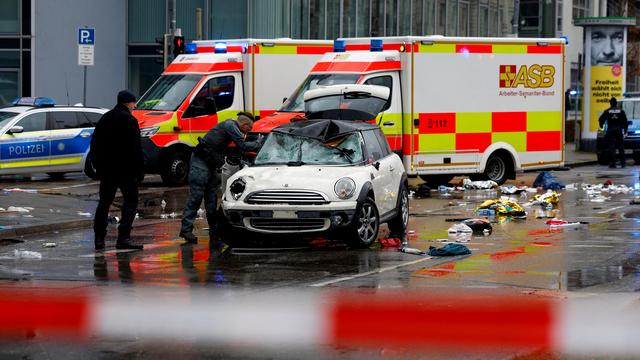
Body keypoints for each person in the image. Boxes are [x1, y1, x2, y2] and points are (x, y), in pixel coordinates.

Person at [180, 112, 262, 244]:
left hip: (208, 163)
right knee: (196, 197)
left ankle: (214, 232)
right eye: (250, 128)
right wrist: (259, 143)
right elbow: (243, 146)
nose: (250, 131)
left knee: (212, 200)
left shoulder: (229, 126)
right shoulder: (231, 126)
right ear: (244, 124)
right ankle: (186, 230)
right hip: (200, 162)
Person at [91, 90, 144, 250]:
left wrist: (98, 166)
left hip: (107, 171)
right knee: (130, 202)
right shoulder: (130, 121)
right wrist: (139, 171)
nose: (135, 106)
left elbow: (95, 144)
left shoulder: (105, 118)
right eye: (134, 102)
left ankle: (99, 239)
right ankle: (123, 238)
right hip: (126, 171)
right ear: (128, 103)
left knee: (104, 203)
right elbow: (136, 149)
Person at [599, 97, 629, 168]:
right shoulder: (621, 111)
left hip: (610, 131)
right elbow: (625, 122)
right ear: (616, 103)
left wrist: (602, 127)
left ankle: (613, 163)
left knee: (612, 147)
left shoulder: (607, 111)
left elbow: (600, 119)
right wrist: (625, 131)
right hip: (618, 130)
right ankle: (623, 163)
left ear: (610, 103)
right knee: (621, 147)